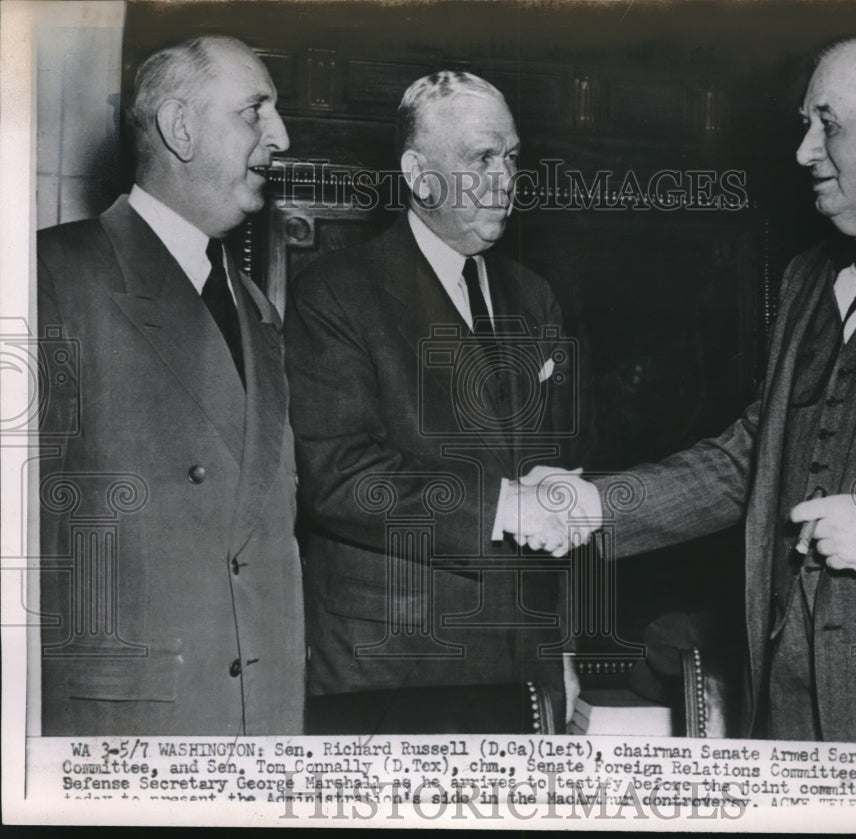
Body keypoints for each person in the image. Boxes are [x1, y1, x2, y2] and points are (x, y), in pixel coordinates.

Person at [511, 34, 856, 745]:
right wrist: (595, 504)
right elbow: (749, 456)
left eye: (829, 124)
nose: (804, 152)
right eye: (804, 126)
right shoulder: (806, 280)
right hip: (786, 703)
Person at [284, 71, 581, 730]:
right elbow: (341, 477)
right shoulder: (336, 293)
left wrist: (555, 647)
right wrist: (504, 504)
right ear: (419, 174)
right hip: (393, 671)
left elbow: (547, 487)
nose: (505, 178)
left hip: (521, 668)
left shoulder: (534, 298)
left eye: (511, 157)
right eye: (481, 157)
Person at [37, 35, 305, 735]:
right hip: (130, 729)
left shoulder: (257, 308)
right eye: (256, 110)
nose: (280, 135)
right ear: (181, 128)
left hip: (261, 723)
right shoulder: (52, 278)